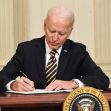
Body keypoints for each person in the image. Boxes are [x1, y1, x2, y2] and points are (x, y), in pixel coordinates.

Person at [0, 7, 109, 92]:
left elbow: (102, 80)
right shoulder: (26, 49)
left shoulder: (77, 51)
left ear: (70, 31)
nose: (55, 38)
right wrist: (13, 85)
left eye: (62, 33)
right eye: (51, 31)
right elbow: (2, 77)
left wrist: (72, 83)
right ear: (44, 26)